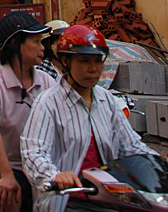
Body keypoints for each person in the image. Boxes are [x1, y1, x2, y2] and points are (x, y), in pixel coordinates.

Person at [22, 24, 154, 212]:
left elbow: (131, 146)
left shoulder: (107, 100)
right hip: (69, 201)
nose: (93, 69)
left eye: (98, 61)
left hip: (112, 198)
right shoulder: (48, 103)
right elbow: (33, 152)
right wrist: (55, 176)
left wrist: (157, 165)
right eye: (84, 61)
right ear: (66, 61)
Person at [0, 12, 54, 212]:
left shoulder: (48, 81)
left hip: (45, 166)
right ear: (16, 44)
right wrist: (7, 175)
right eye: (36, 41)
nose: (42, 47)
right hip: (12, 166)